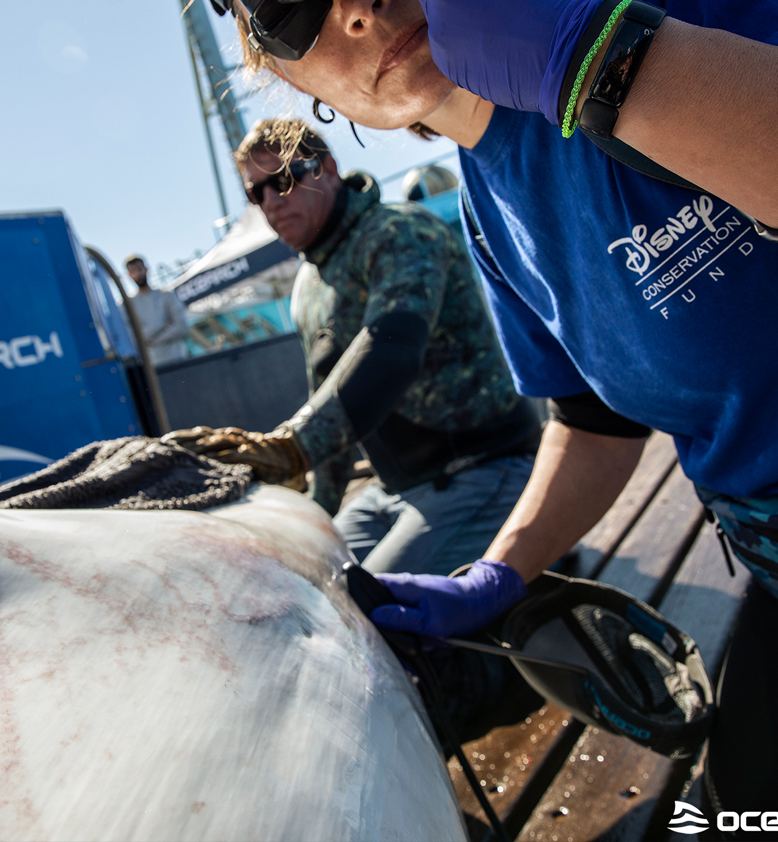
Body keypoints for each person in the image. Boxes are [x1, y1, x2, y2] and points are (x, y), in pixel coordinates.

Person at [217, 0, 778, 827]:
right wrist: (499, 574)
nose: (357, 9)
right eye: (290, 7)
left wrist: (610, 64)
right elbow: (592, 423)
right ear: (290, 78)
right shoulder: (488, 218)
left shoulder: (670, 18)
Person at [164, 118, 547, 741]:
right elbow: (330, 400)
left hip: (484, 469)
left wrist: (288, 446)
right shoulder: (307, 286)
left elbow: (392, 347)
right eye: (255, 192)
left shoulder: (401, 231)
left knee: (366, 630)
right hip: (397, 490)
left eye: (283, 179)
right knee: (298, 591)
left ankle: (517, 689)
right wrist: (315, 514)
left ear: (329, 170)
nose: (271, 201)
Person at [123, 255, 191, 366]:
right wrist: (166, 327)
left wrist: (153, 339)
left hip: (178, 360)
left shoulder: (167, 296)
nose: (138, 274)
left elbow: (182, 326)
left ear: (146, 269)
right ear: (129, 275)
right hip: (150, 368)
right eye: (133, 271)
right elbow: (130, 336)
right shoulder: (127, 305)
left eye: (139, 269)